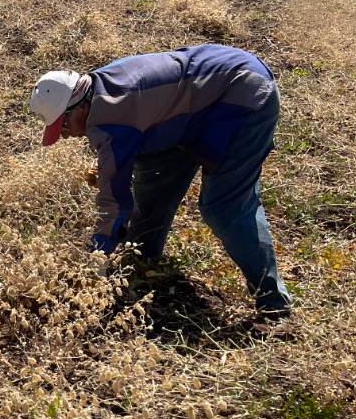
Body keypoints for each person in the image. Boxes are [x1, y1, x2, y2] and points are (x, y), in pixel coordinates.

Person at [29, 44, 293, 324]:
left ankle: (275, 307)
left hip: (241, 93)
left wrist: (99, 253)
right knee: (154, 175)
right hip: (200, 100)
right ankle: (143, 260)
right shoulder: (98, 86)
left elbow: (114, 202)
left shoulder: (112, 119)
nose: (66, 136)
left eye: (64, 126)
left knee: (225, 207)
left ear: (79, 107)